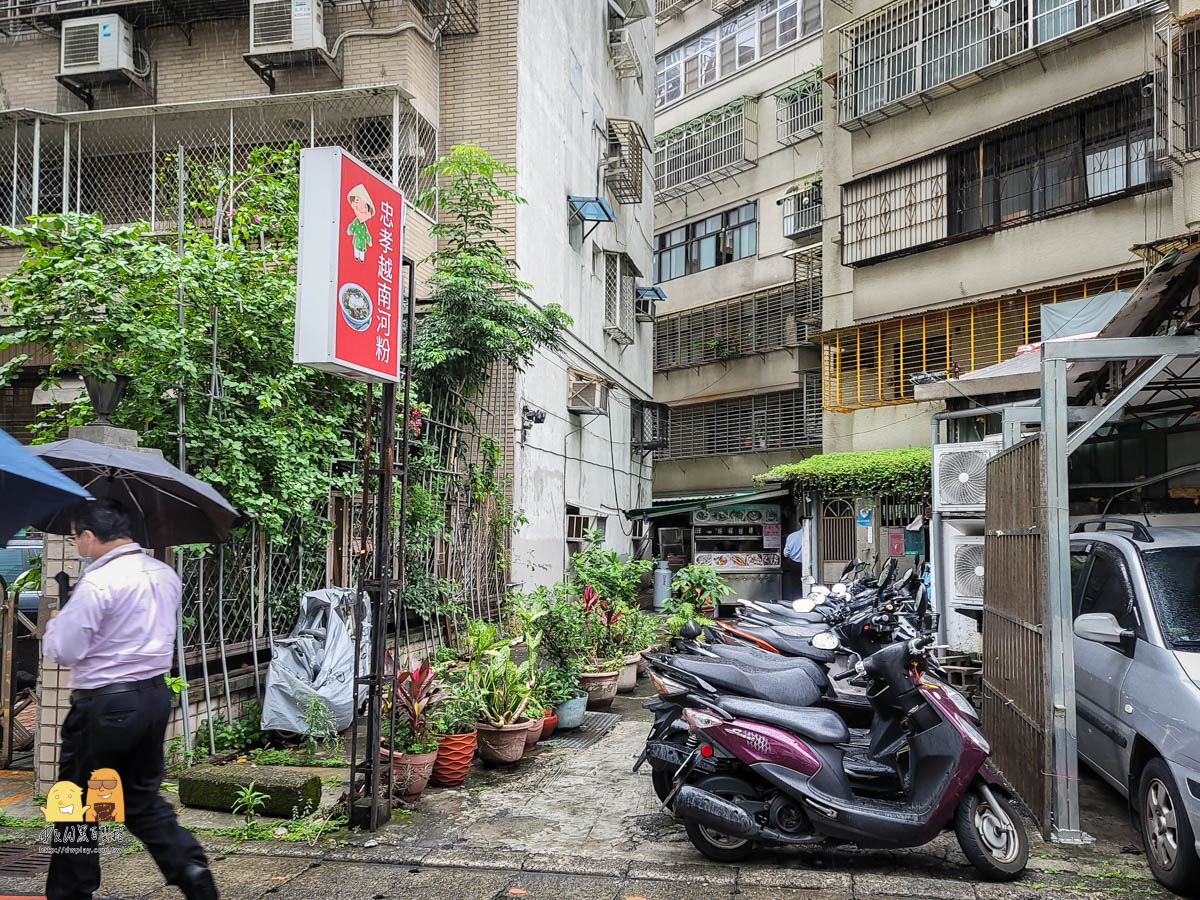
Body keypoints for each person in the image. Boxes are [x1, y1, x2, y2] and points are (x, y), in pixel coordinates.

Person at [41, 499, 218, 900]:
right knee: (139, 796)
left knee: (74, 802)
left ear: (89, 536)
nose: (76, 546)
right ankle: (190, 868)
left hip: (104, 704)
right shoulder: (163, 573)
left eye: (75, 538)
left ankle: (71, 891)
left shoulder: (100, 582)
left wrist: (56, 624)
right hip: (152, 696)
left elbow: (66, 650)